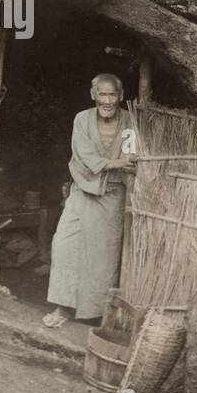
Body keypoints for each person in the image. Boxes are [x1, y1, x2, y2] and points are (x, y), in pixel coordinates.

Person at [44, 73, 136, 327]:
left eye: (112, 95)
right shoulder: (82, 120)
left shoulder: (130, 123)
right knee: (64, 245)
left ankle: (94, 313)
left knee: (101, 256)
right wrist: (116, 163)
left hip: (112, 196)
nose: (107, 100)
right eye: (102, 94)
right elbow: (83, 154)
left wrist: (123, 164)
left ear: (121, 96)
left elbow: (133, 158)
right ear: (93, 95)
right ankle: (62, 307)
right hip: (82, 192)